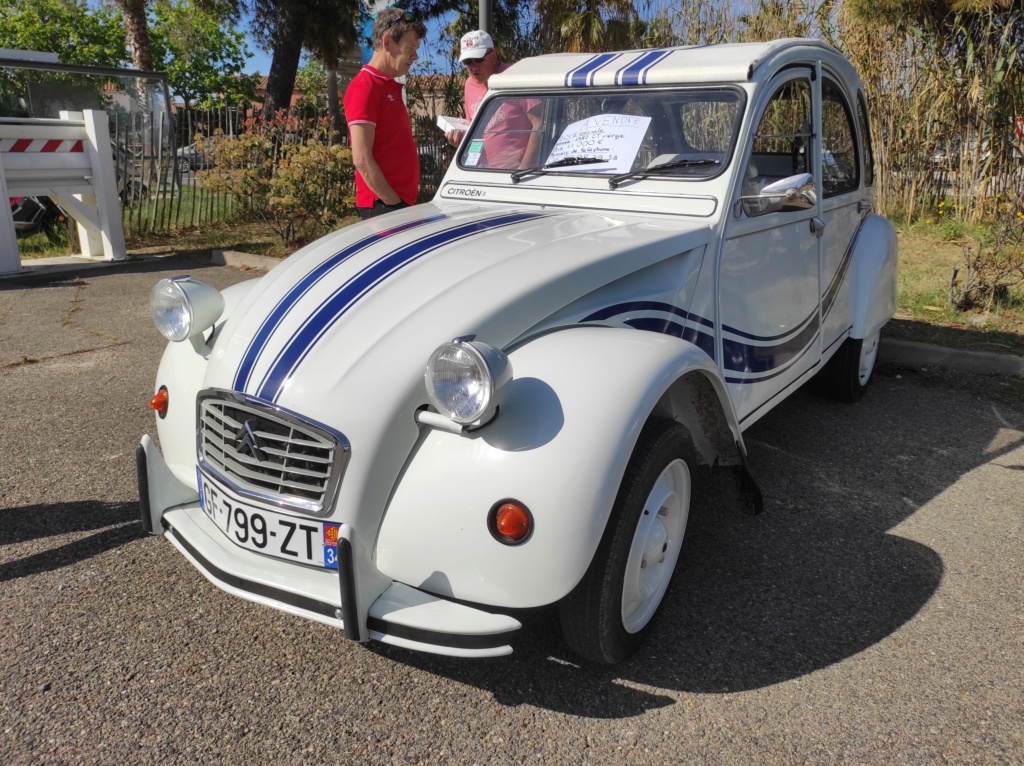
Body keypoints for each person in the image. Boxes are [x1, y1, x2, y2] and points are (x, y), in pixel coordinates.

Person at [343, 8, 427, 220]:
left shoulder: (388, 86)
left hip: (395, 204)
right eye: (410, 48)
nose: (415, 56)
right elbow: (361, 158)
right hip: (383, 205)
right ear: (388, 42)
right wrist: (394, 204)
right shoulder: (365, 86)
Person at [445, 30, 542, 170]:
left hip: (516, 173)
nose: (473, 67)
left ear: (494, 55)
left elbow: (539, 124)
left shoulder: (515, 78)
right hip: (480, 171)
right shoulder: (469, 85)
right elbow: (472, 128)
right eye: (467, 61)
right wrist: (460, 139)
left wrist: (523, 169)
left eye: (478, 59)